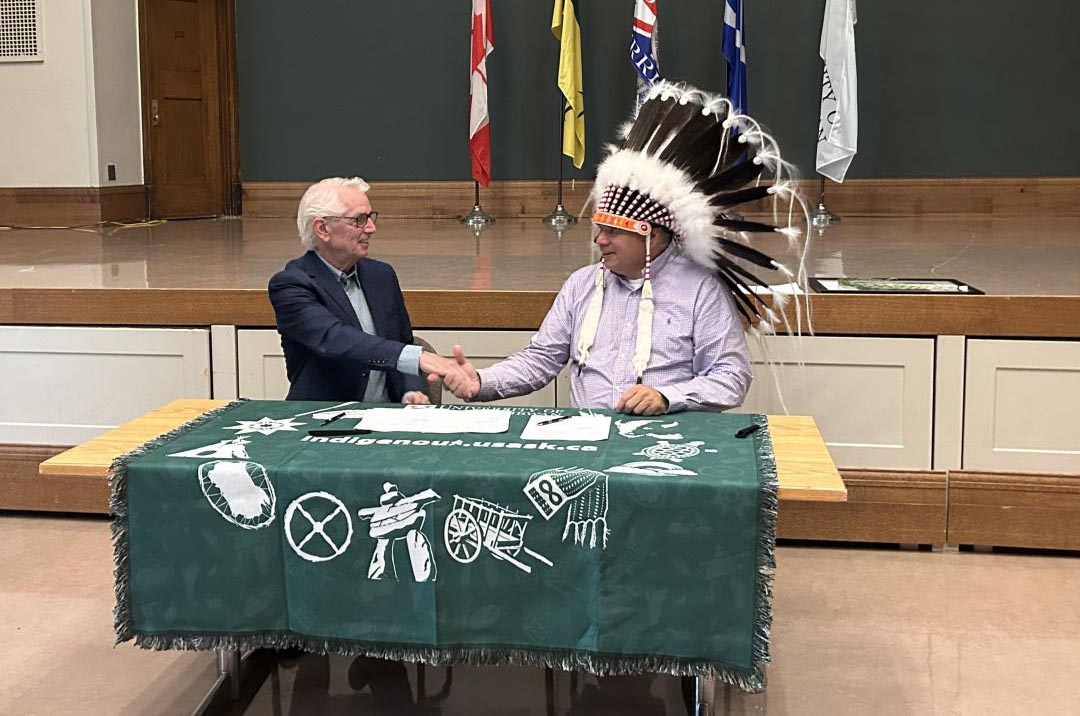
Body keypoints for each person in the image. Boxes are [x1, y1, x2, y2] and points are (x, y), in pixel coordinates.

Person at [442, 81, 810, 415]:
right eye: (599, 229)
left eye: (613, 232)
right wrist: (482, 382)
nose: (598, 240)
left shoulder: (701, 290)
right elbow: (541, 358)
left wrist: (668, 396)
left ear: (651, 234)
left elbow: (731, 377)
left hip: (668, 446)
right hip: (589, 442)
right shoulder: (582, 284)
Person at [269, 177, 465, 403]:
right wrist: (418, 358)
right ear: (323, 228)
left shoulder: (381, 276)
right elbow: (335, 340)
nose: (372, 228)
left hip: (387, 422)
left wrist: (410, 392)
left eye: (370, 217)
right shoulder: (291, 284)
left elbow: (402, 342)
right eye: (359, 219)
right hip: (322, 422)